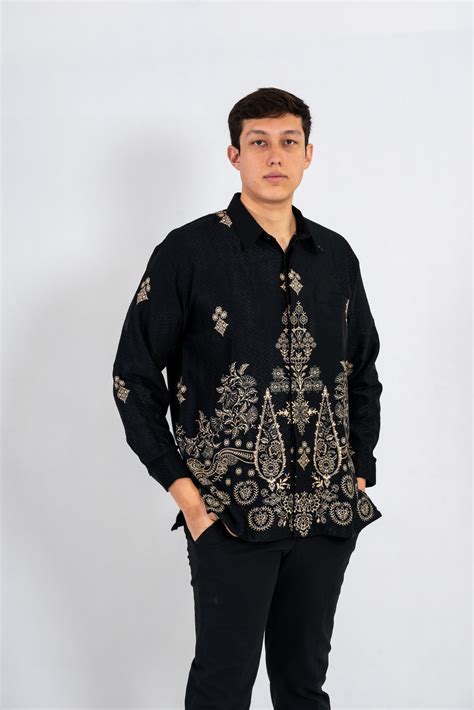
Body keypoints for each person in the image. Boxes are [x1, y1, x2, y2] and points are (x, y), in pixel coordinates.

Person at [112, 86, 383, 710]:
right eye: (259, 142)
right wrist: (188, 496)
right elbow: (133, 378)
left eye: (289, 141)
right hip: (229, 513)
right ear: (234, 155)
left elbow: (362, 368)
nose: (275, 155)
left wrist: (359, 470)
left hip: (326, 514)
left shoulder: (335, 255)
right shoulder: (188, 252)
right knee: (222, 688)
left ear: (309, 154)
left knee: (304, 687)